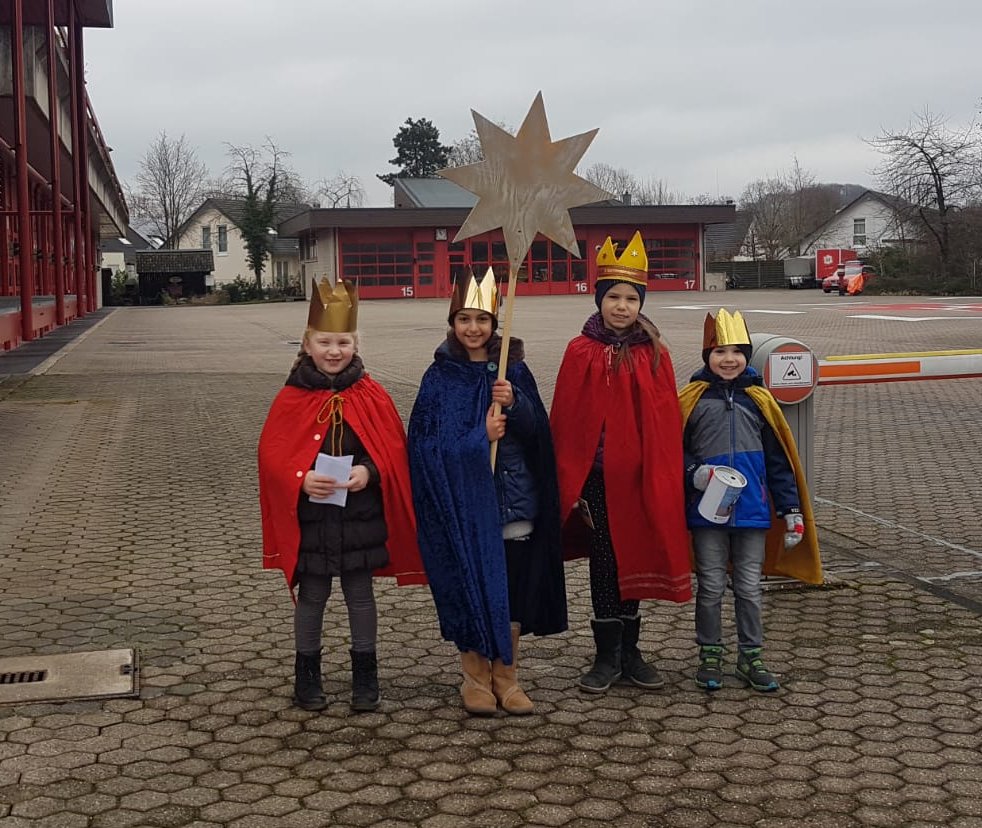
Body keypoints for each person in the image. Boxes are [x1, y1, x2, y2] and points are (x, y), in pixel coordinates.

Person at [258, 279, 425, 713]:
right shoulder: (290, 396)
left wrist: (367, 473)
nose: (335, 351)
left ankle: (365, 677)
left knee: (360, 595)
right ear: (308, 344)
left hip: (360, 516)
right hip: (312, 517)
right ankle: (307, 675)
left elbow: (390, 450)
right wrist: (301, 478)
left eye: (343, 342)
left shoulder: (371, 393)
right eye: (325, 342)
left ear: (355, 344)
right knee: (312, 596)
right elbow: (273, 455)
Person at [407, 268, 567, 716]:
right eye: (464, 319)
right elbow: (423, 446)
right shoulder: (440, 377)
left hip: (512, 501)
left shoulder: (513, 370)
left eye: (482, 319)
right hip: (463, 508)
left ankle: (507, 677)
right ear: (452, 324)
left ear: (497, 323)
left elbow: (539, 434)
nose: (473, 328)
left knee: (512, 589)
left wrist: (515, 404)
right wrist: (479, 436)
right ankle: (474, 676)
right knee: (471, 582)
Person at [550, 231, 692, 694]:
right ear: (599, 299)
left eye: (631, 298)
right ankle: (607, 653)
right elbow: (569, 416)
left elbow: (663, 417)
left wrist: (661, 472)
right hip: (595, 479)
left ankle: (632, 649)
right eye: (613, 296)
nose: (622, 306)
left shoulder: (654, 353)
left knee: (635, 555)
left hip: (638, 478)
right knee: (605, 560)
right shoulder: (579, 351)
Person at [678, 309, 822, 692]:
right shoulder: (691, 400)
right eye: (720, 351)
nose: (729, 359)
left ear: (748, 355)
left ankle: (750, 654)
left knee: (748, 586)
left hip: (753, 510)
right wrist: (694, 473)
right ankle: (710, 652)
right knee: (710, 584)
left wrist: (790, 510)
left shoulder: (760, 401)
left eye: (737, 351)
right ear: (706, 355)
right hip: (705, 511)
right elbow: (672, 452)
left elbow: (779, 460)